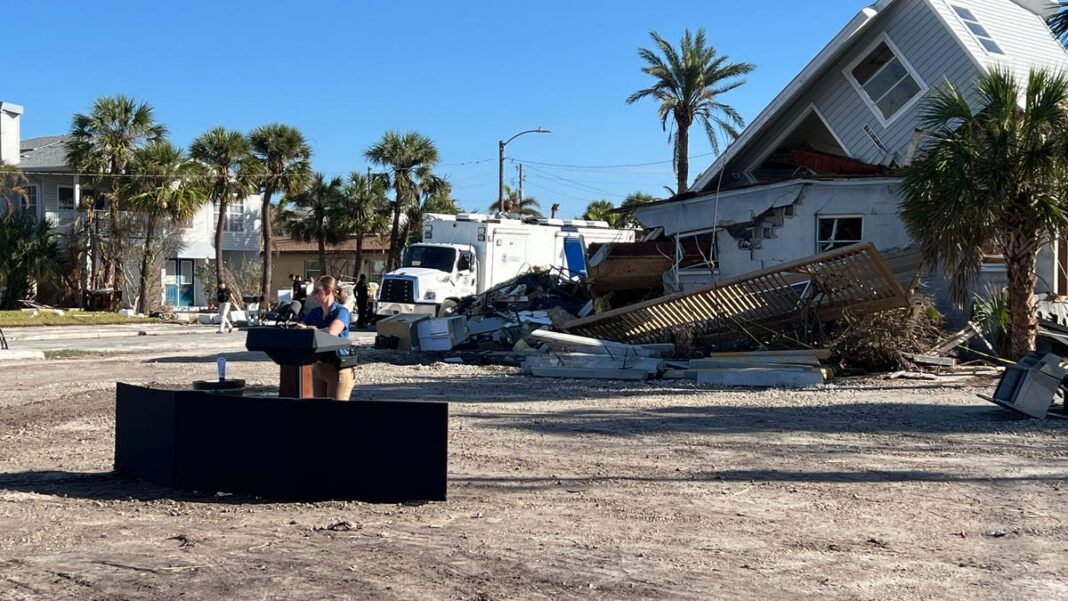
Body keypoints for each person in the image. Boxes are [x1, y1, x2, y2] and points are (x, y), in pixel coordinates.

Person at [295, 275, 355, 400]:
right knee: (319, 413)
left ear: (328, 291)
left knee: (334, 414)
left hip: (338, 368)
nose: (312, 294)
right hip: (318, 367)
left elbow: (332, 332)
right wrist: (299, 327)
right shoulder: (315, 312)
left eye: (316, 290)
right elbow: (301, 327)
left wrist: (313, 330)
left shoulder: (341, 311)